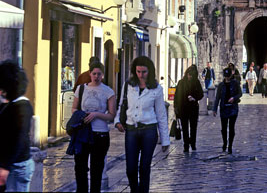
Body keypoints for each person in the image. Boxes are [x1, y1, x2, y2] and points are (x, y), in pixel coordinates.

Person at [115, 56, 169, 193]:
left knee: (144, 167)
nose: (141, 75)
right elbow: (122, 104)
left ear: (149, 71)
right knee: (131, 168)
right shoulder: (128, 85)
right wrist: (117, 121)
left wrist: (165, 140)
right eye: (138, 72)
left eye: (144, 72)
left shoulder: (156, 89)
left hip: (149, 130)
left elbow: (161, 115)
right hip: (132, 130)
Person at [72, 61, 116, 193]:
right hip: (83, 133)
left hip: (100, 134)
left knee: (96, 170)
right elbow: (74, 108)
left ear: (103, 75)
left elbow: (111, 115)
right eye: (94, 74)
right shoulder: (81, 89)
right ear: (90, 74)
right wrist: (81, 114)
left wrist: (97, 114)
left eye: (99, 74)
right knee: (80, 168)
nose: (96, 76)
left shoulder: (108, 91)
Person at [0, 61, 34, 193]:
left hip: (17, 166)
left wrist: (5, 167)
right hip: (10, 164)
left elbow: (18, 140)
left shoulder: (22, 107)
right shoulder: (8, 105)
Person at [174, 65, 204, 152]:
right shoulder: (181, 83)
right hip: (183, 108)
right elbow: (176, 96)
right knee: (185, 127)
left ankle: (193, 144)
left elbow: (201, 94)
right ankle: (186, 145)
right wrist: (176, 107)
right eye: (188, 74)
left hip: (193, 108)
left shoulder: (196, 82)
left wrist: (194, 98)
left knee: (193, 127)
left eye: (191, 75)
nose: (189, 77)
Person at [213, 68, 242, 154]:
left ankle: (230, 145)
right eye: (225, 77)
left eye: (228, 76)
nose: (227, 78)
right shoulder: (221, 85)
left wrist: (234, 98)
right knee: (224, 128)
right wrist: (214, 109)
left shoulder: (235, 83)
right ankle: (225, 142)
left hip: (233, 108)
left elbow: (240, 93)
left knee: (231, 127)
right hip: (224, 108)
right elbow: (217, 97)